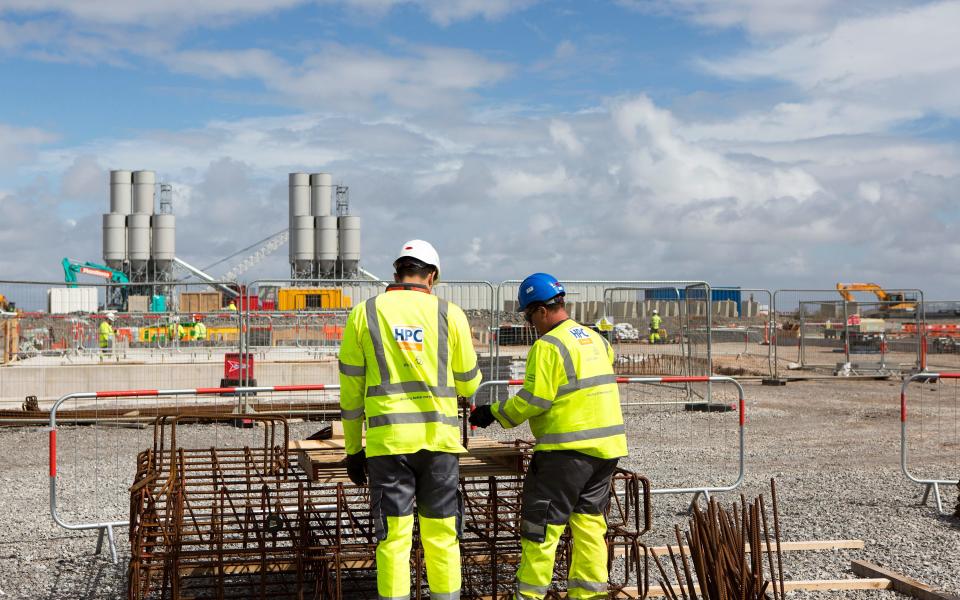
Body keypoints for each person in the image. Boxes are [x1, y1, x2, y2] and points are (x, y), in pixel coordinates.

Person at [338, 239, 482, 600]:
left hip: (388, 447)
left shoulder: (365, 312)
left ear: (396, 273)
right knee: (442, 535)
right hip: (439, 444)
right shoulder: (450, 314)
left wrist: (354, 450)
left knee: (393, 539)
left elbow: (351, 395)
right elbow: (468, 382)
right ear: (431, 276)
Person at [470, 273, 627, 600]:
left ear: (542, 310)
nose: (530, 324)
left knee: (541, 531)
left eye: (529, 316)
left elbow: (534, 400)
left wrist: (493, 414)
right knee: (589, 528)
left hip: (565, 454)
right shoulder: (596, 338)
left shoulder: (548, 346)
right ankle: (591, 596)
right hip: (606, 451)